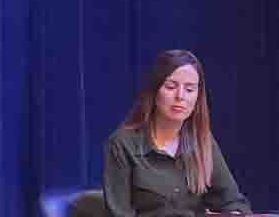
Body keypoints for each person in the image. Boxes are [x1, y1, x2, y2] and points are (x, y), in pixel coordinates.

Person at [103, 50, 251, 217]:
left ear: (198, 97)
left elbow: (231, 200)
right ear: (154, 90)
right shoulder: (122, 144)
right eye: (171, 87)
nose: (180, 96)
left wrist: (235, 212)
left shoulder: (202, 140)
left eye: (189, 89)